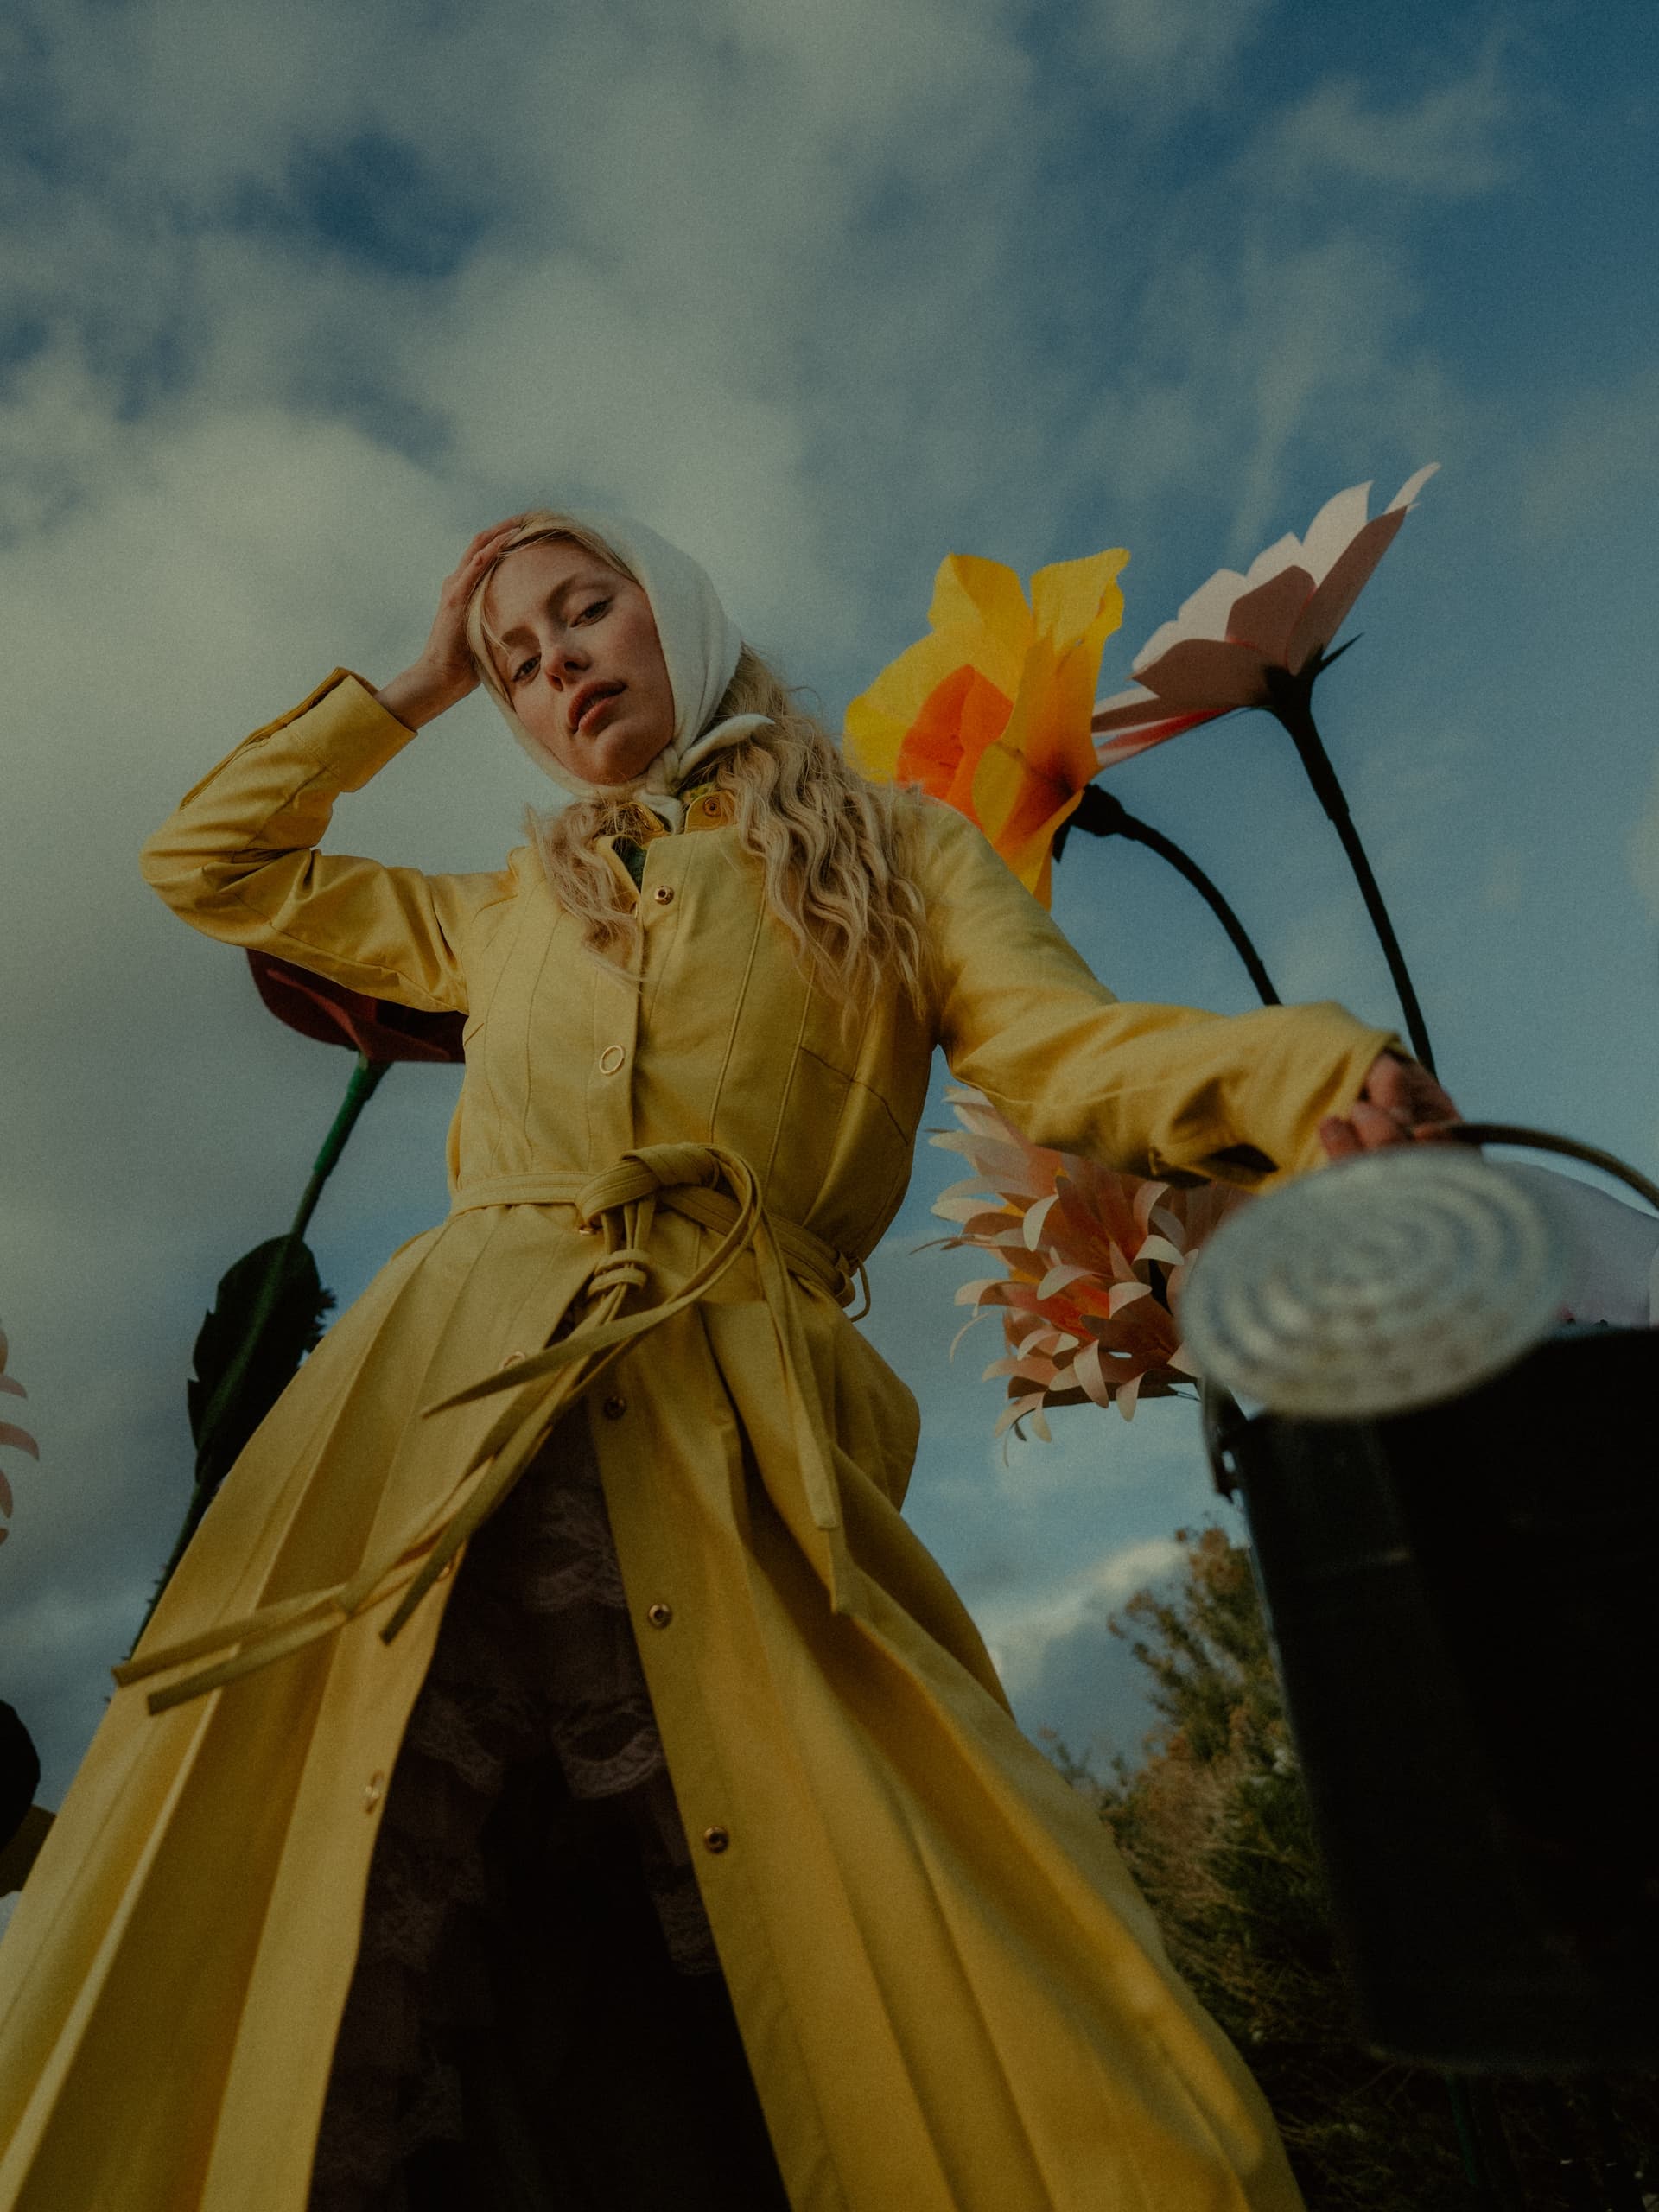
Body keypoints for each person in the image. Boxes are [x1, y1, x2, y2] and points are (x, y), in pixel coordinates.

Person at [0, 511, 1455, 2212]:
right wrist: (412, 679)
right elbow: (211, 862)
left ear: (678, 613)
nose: (557, 667)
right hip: (423, 1428)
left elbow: (1075, 1058)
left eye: (585, 611)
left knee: (867, 1921)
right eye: (517, 661)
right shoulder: (502, 914)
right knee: (334, 1913)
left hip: (733, 1430)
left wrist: (1311, 1080)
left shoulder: (896, 854)